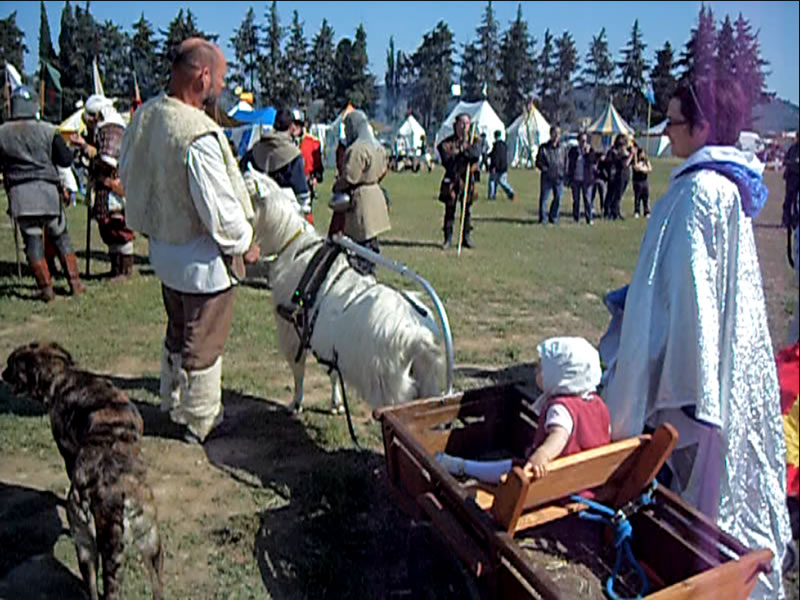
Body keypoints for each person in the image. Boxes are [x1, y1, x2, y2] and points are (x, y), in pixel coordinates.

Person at [602, 76, 791, 599]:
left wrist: (655, 356)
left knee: (694, 487)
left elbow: (687, 306)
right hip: (716, 362)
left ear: (703, 127)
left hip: (693, 372)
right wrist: (636, 294)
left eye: (675, 121)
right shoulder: (724, 187)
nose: (667, 131)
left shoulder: (698, 193)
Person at [119, 38, 260, 444]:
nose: (222, 84)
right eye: (221, 76)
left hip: (164, 251)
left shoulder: (145, 116)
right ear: (203, 75)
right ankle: (199, 419)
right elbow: (218, 208)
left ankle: (170, 400)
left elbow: (128, 176)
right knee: (203, 341)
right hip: (201, 262)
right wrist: (244, 242)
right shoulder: (196, 132)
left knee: (177, 331)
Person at [435, 337, 610, 484]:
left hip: (553, 484)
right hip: (585, 483)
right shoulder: (598, 405)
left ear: (560, 377)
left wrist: (543, 454)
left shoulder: (561, 409)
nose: (535, 371)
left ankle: (463, 467)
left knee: (513, 469)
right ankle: (463, 466)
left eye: (541, 368)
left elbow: (560, 435)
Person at [0, 86, 85, 302]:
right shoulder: (49, 130)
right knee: (61, 236)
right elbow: (64, 159)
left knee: (33, 241)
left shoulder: (2, 133)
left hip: (21, 194)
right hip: (47, 193)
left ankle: (46, 288)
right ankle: (74, 284)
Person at [70, 94, 136, 280]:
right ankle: (116, 268)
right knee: (108, 227)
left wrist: (86, 148)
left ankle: (124, 270)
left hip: (114, 185)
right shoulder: (104, 128)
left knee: (118, 226)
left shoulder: (112, 129)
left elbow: (108, 161)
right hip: (105, 185)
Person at [330, 109, 390, 276]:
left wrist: (337, 186)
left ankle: (363, 271)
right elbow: (383, 170)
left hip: (362, 199)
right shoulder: (378, 147)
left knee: (361, 242)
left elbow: (350, 177)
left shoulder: (356, 149)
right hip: (375, 194)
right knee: (371, 239)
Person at [241, 108, 311, 222]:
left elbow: (242, 169)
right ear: (291, 127)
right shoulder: (292, 154)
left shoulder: (257, 148)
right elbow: (301, 193)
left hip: (259, 212)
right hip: (285, 215)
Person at [437, 113, 481, 249]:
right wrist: (462, 155)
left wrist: (465, 153)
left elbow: (475, 154)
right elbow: (447, 158)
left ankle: (466, 237)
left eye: (467, 124)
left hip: (467, 179)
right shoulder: (447, 142)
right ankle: (448, 238)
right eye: (461, 123)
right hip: (452, 179)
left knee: (467, 210)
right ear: (456, 125)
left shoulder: (474, 141)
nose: (464, 126)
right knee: (450, 209)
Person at [535, 126, 567, 224]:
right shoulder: (543, 148)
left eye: (558, 133)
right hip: (547, 177)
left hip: (559, 177)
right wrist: (545, 169)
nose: (557, 136)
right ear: (551, 134)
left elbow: (565, 161)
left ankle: (553, 217)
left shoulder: (563, 148)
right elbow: (538, 162)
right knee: (544, 199)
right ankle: (543, 218)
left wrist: (565, 172)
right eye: (555, 133)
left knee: (558, 198)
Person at [296, 116, 324, 226]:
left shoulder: (312, 142)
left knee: (306, 212)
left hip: (306, 181)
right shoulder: (287, 141)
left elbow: (317, 164)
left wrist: (315, 177)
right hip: (290, 181)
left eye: (298, 125)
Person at [566, 132, 596, 224]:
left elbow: (593, 162)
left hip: (587, 179)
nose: (584, 143)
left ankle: (589, 218)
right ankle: (576, 218)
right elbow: (570, 163)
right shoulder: (573, 151)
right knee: (576, 200)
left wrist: (587, 154)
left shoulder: (590, 150)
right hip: (575, 178)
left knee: (587, 199)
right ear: (578, 141)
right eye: (582, 140)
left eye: (585, 141)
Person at [605, 133, 633, 220]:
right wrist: (631, 155)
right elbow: (625, 164)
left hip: (625, 175)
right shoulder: (615, 152)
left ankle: (615, 211)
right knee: (616, 195)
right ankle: (613, 212)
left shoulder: (624, 151)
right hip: (618, 175)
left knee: (619, 195)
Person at [488, 130, 515, 201]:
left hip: (496, 166)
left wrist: (493, 166)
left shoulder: (496, 145)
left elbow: (495, 156)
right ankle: (510, 191)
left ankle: (492, 195)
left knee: (492, 181)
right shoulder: (504, 145)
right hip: (504, 166)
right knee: (502, 181)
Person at [631, 146, 652, 218]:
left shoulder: (646, 160)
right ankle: (637, 211)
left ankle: (646, 211)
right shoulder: (635, 160)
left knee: (645, 197)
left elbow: (649, 169)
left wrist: (643, 169)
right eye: (642, 153)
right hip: (637, 182)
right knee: (637, 197)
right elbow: (636, 168)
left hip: (644, 181)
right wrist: (635, 156)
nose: (643, 155)